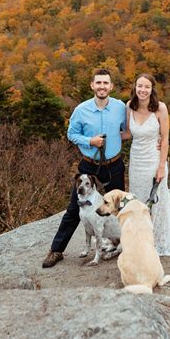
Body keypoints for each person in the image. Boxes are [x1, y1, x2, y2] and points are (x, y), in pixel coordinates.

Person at [42, 68, 126, 268]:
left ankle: (127, 245)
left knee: (120, 208)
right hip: (89, 165)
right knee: (73, 209)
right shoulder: (81, 110)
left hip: (114, 164)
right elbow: (71, 134)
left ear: (111, 86)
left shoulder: (120, 107)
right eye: (98, 83)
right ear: (92, 85)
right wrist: (90, 141)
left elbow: (130, 128)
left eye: (106, 83)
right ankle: (56, 250)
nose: (102, 87)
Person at [124, 73, 170, 256]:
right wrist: (103, 137)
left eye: (147, 87)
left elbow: (165, 139)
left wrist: (161, 166)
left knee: (158, 202)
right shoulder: (129, 106)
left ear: (152, 89)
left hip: (154, 160)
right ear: (135, 87)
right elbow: (129, 134)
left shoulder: (160, 109)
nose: (142, 90)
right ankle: (141, 241)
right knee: (137, 201)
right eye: (140, 86)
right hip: (136, 161)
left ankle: (159, 242)